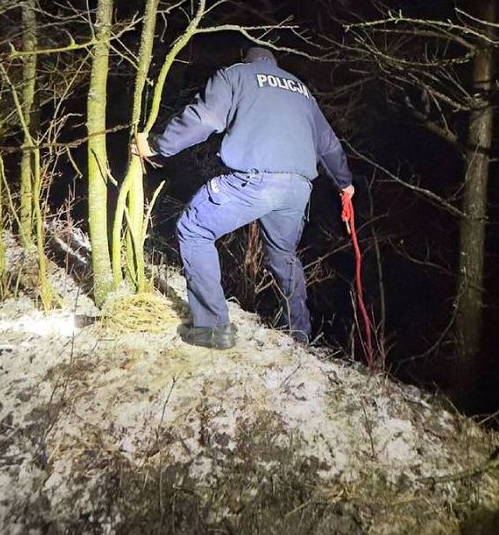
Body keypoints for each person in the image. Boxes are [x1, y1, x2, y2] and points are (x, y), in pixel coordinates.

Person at [134, 46, 353, 349]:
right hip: (298, 188)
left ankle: (212, 328)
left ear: (247, 60)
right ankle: (299, 336)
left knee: (194, 229)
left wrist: (159, 145)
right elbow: (328, 145)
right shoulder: (301, 90)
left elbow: (205, 118)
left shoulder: (236, 75)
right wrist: (345, 183)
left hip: (256, 179)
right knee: (283, 257)